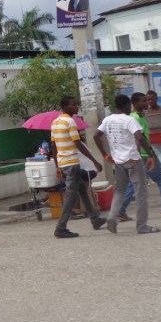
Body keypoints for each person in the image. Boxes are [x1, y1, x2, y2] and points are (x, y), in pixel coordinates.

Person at [94, 94, 160, 235]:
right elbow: (140, 137)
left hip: (118, 162)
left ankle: (112, 217)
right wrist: (151, 155)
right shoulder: (129, 120)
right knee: (141, 192)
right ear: (126, 105)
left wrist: (105, 154)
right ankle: (142, 226)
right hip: (133, 160)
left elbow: (96, 136)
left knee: (119, 190)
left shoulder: (107, 120)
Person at [116, 92, 161, 219]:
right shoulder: (136, 118)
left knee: (134, 183)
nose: (146, 103)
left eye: (147, 100)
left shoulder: (135, 116)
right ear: (135, 103)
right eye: (143, 101)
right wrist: (150, 155)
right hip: (143, 154)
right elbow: (140, 138)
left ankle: (120, 210)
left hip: (139, 154)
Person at [50, 96, 105, 238]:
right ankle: (60, 227)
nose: (76, 107)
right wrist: (95, 161)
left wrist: (57, 166)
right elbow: (78, 143)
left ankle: (95, 219)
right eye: (73, 105)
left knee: (82, 190)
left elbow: (53, 145)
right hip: (71, 163)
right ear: (65, 106)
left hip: (63, 163)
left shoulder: (55, 123)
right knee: (70, 196)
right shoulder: (70, 121)